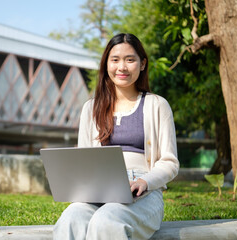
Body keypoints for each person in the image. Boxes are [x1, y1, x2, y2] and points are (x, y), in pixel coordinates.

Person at [53, 33, 179, 240]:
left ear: (142, 64)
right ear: (106, 65)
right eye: (115, 60)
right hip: (99, 190)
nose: (122, 67)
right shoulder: (91, 108)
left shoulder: (157, 105)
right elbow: (84, 159)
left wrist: (144, 181)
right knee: (71, 219)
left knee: (107, 221)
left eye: (130, 59)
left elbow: (170, 162)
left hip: (143, 191)